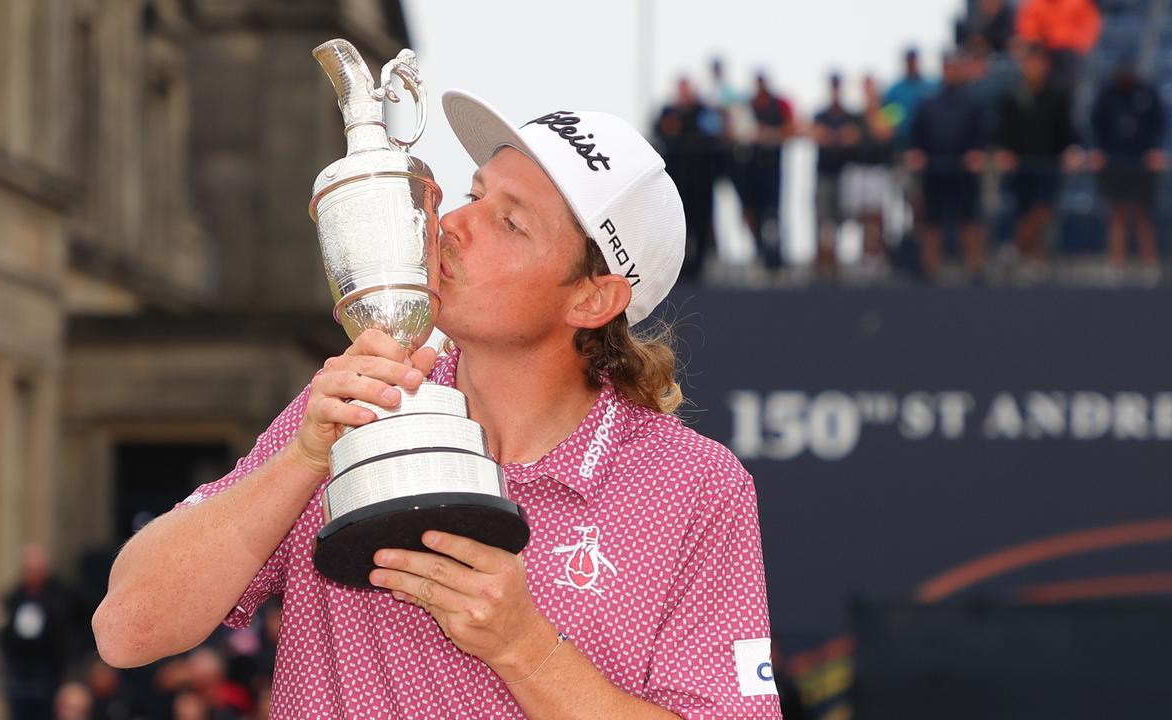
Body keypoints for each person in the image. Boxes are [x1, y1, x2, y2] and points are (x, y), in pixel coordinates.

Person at [93, 89, 781, 718]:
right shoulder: (362, 399)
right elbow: (125, 628)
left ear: (592, 298)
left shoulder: (694, 487)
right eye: (475, 193)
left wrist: (526, 647)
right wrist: (303, 458)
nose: (452, 223)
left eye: (509, 222)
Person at [996, 44, 1084, 271]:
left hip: (1049, 166)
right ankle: (1035, 261)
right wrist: (1004, 152)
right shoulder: (1012, 96)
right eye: (1030, 62)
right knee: (1024, 210)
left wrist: (1070, 151)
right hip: (1020, 167)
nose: (1034, 67)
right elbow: (1003, 131)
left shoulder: (1058, 94)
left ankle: (1014, 248)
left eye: (1039, 62)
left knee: (1042, 210)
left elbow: (1068, 131)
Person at [908, 52, 989, 279]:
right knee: (932, 222)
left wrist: (977, 154)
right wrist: (917, 154)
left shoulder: (973, 103)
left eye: (956, 67)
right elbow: (917, 135)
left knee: (970, 220)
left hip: (964, 173)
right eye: (948, 67)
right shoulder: (928, 103)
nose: (952, 72)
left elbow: (982, 134)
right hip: (935, 171)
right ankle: (929, 270)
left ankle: (975, 269)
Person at [1090, 59, 1167, 276]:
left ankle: (1149, 264)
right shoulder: (1107, 93)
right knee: (1117, 213)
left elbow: (1159, 122)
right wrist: (1098, 150)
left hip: (1142, 163)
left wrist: (1156, 149)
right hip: (1115, 162)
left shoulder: (1147, 92)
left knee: (1144, 213)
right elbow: (1096, 123)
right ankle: (1116, 264)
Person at [0, 543, 80, 720]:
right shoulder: (14, 596)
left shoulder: (61, 594)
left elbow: (74, 624)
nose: (33, 575)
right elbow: (1, 628)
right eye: (29, 570)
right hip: (18, 673)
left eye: (38, 570)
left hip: (50, 673)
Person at [655, 77, 724, 282]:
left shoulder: (703, 111)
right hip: (675, 182)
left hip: (701, 181)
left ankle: (699, 266)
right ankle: (678, 268)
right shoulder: (669, 111)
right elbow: (662, 131)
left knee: (701, 224)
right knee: (677, 226)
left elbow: (714, 133)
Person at [842, 75, 896, 275]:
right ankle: (865, 255)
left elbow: (885, 133)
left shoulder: (890, 111)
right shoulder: (855, 115)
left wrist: (874, 112)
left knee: (877, 216)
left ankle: (880, 255)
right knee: (863, 218)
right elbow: (848, 138)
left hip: (879, 171)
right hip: (859, 170)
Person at [740, 71, 794, 270]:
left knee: (772, 215)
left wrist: (771, 134)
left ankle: (775, 258)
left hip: (772, 169)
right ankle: (759, 253)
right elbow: (738, 130)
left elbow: (792, 128)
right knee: (752, 213)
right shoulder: (748, 105)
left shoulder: (779, 104)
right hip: (750, 167)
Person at [813, 72, 861, 277]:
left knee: (842, 219)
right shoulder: (821, 115)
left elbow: (852, 137)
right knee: (824, 219)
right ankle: (824, 260)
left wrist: (835, 137)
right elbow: (817, 135)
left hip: (845, 175)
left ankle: (839, 261)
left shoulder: (850, 115)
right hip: (825, 173)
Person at [1014, 0, 1101, 92]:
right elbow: (1027, 30)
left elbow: (1087, 31)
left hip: (1069, 52)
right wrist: (1042, 39)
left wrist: (1061, 39)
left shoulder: (1080, 3)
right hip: (1043, 49)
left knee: (1071, 63)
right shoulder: (1034, 4)